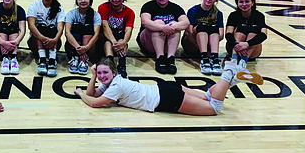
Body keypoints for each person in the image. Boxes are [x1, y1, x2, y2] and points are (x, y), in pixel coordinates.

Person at [74, 57, 264, 115]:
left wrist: (80, 93)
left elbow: (94, 102)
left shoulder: (114, 87)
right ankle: (232, 81)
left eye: (104, 73)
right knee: (208, 96)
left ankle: (228, 73)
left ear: (113, 73)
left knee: (214, 107)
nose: (101, 76)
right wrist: (92, 76)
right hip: (165, 87)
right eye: (99, 73)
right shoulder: (114, 82)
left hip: (166, 99)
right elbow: (96, 92)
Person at [136, 0, 189, 75]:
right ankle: (160, 58)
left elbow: (186, 23)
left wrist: (170, 26)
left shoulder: (175, 7)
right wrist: (163, 28)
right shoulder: (148, 6)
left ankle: (170, 58)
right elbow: (145, 22)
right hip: (148, 42)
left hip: (165, 43)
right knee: (158, 23)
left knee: (176, 25)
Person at [182, 0, 224, 75]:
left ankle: (215, 60)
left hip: (207, 44)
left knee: (214, 29)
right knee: (202, 27)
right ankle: (205, 60)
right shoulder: (193, 10)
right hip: (191, 42)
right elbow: (188, 32)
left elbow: (221, 35)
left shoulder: (218, 13)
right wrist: (198, 44)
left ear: (216, 0)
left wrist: (208, 43)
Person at [27, 0, 65, 77]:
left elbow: (60, 28)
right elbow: (31, 26)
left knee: (52, 27)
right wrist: (43, 38)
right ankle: (42, 59)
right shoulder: (34, 6)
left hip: (54, 42)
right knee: (41, 26)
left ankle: (52, 60)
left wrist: (55, 39)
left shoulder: (59, 8)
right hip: (36, 42)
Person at [97, 0, 135, 78]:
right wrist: (114, 42)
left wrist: (124, 42)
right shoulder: (103, 7)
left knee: (122, 39)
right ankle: (111, 63)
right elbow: (105, 26)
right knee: (108, 42)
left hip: (119, 38)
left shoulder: (129, 12)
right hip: (106, 37)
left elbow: (129, 30)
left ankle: (121, 65)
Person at [225, 0, 268, 68]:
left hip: (252, 51)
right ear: (237, 4)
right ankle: (234, 59)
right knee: (240, 30)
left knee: (254, 33)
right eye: (241, 2)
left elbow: (264, 35)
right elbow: (228, 34)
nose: (244, 4)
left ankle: (243, 60)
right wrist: (237, 45)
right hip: (234, 48)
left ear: (252, 3)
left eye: (247, 1)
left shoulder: (259, 16)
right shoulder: (233, 15)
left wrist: (247, 44)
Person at [64, 0, 101, 75]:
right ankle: (75, 58)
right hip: (72, 48)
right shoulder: (71, 14)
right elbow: (67, 33)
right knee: (77, 27)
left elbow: (96, 35)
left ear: (90, 0)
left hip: (89, 49)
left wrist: (86, 48)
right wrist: (78, 48)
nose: (83, 1)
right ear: (76, 1)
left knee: (88, 29)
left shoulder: (96, 15)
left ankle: (83, 60)